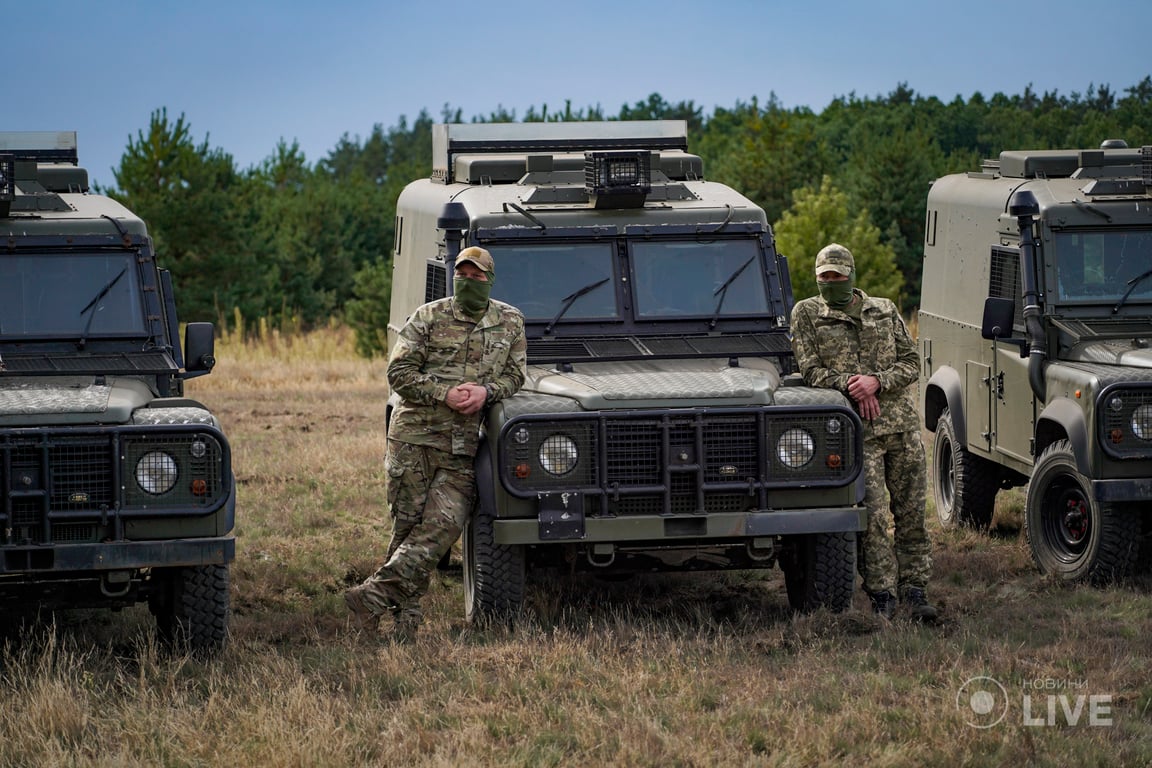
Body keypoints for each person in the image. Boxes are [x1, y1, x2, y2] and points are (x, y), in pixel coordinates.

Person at [345, 246, 527, 640]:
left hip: (462, 446)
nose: (469, 281)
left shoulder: (510, 321)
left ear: (490, 280)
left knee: (443, 528)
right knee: (408, 530)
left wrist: (486, 392)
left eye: (477, 276)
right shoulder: (428, 317)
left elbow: (516, 377)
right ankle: (404, 626)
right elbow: (399, 373)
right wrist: (443, 393)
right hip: (415, 439)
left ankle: (370, 596)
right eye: (462, 274)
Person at [789, 243, 937, 622]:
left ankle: (915, 588)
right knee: (870, 519)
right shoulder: (807, 313)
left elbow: (911, 361)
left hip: (901, 427)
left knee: (911, 514)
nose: (830, 283)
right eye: (824, 278)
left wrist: (877, 382)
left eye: (837, 276)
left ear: (851, 275)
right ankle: (882, 593)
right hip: (857, 434)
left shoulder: (884, 310)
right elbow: (811, 371)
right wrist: (853, 386)